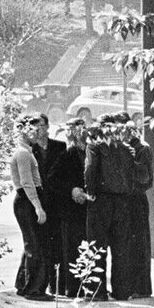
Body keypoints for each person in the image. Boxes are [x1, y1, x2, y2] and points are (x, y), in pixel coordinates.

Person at [85, 115, 143, 300]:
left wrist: (90, 192)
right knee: (121, 248)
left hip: (101, 200)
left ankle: (97, 290)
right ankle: (121, 290)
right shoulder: (127, 149)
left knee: (96, 246)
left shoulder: (94, 146)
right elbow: (134, 173)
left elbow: (90, 170)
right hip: (122, 201)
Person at [46, 118, 91, 296]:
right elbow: (52, 179)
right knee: (71, 248)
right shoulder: (68, 153)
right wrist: (71, 190)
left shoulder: (89, 150)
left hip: (86, 206)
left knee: (86, 246)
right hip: (70, 209)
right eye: (76, 129)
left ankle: (85, 286)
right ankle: (72, 288)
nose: (81, 133)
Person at [11, 114, 52, 300]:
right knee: (34, 244)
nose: (36, 133)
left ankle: (23, 284)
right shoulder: (23, 153)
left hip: (30, 198)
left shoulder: (27, 151)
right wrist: (38, 206)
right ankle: (33, 288)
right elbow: (27, 182)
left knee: (33, 242)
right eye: (32, 130)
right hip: (27, 199)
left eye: (37, 129)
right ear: (23, 130)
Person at [32, 113, 67, 294]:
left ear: (48, 127)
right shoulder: (29, 149)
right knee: (37, 244)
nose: (40, 130)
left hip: (56, 202)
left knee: (57, 245)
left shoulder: (60, 147)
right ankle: (34, 285)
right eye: (36, 127)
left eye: (43, 126)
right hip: (37, 202)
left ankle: (57, 286)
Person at [122, 116, 154, 298]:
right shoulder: (120, 148)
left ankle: (141, 287)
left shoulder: (142, 149)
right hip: (125, 200)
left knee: (139, 244)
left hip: (136, 200)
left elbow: (146, 179)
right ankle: (129, 285)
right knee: (127, 244)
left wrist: (131, 161)